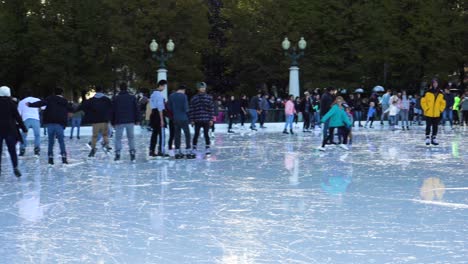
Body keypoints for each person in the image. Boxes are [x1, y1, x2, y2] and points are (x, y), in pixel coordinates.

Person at [28, 87, 73, 165]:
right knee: (61, 141)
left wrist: (30, 105)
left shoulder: (49, 99)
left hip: (50, 123)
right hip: (59, 124)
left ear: (54, 93)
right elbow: (71, 109)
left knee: (51, 142)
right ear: (61, 93)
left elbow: (40, 103)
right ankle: (64, 158)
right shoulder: (64, 101)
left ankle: (50, 158)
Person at [79, 85, 113, 157]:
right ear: (102, 91)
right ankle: (105, 145)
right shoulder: (106, 99)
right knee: (106, 133)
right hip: (104, 120)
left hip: (95, 121)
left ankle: (93, 147)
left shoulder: (92, 100)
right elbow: (111, 108)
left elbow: (84, 105)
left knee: (96, 135)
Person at [0, 86, 27, 176]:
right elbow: (17, 117)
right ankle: (15, 167)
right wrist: (24, 128)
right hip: (10, 129)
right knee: (12, 150)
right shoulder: (11, 103)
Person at [112, 82, 140, 161]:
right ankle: (132, 152)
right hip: (130, 120)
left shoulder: (116, 98)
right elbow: (136, 109)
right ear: (126, 88)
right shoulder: (132, 97)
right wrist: (137, 119)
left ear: (120, 88)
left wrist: (112, 122)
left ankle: (117, 153)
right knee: (131, 137)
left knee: (118, 138)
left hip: (119, 121)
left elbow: (113, 111)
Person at [168, 85, 195, 159]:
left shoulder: (171, 96)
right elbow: (186, 108)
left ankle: (177, 151)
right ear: (183, 90)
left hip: (175, 118)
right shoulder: (184, 96)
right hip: (184, 118)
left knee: (177, 135)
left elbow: (169, 107)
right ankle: (188, 151)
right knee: (187, 134)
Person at [189, 82, 215, 155]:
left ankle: (207, 148)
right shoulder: (194, 98)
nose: (203, 89)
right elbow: (192, 109)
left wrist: (211, 119)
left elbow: (211, 109)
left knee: (206, 134)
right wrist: (192, 120)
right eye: (201, 87)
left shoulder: (209, 97)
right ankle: (194, 148)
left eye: (204, 87)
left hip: (206, 119)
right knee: (196, 134)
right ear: (198, 89)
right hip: (197, 119)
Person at [17, 89, 43, 156]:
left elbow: (18, 113)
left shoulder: (21, 102)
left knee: (23, 135)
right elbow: (43, 107)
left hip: (25, 119)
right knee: (37, 135)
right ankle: (37, 149)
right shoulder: (37, 99)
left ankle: (22, 149)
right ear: (32, 94)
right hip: (35, 119)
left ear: (25, 95)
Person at [421, 79, 446, 145]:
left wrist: (440, 110)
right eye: (434, 83)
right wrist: (426, 108)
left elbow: (443, 103)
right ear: (432, 84)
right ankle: (427, 138)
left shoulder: (441, 93)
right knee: (428, 125)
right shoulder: (427, 92)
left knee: (435, 126)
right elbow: (423, 101)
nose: (435, 84)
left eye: (436, 83)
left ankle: (434, 138)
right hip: (428, 112)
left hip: (436, 113)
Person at [149, 80, 167, 157]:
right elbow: (160, 108)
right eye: (164, 86)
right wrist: (162, 120)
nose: (164, 88)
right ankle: (161, 151)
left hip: (153, 114)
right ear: (161, 86)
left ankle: (151, 150)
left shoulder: (152, 94)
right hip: (158, 115)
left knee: (154, 134)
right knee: (162, 135)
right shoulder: (159, 95)